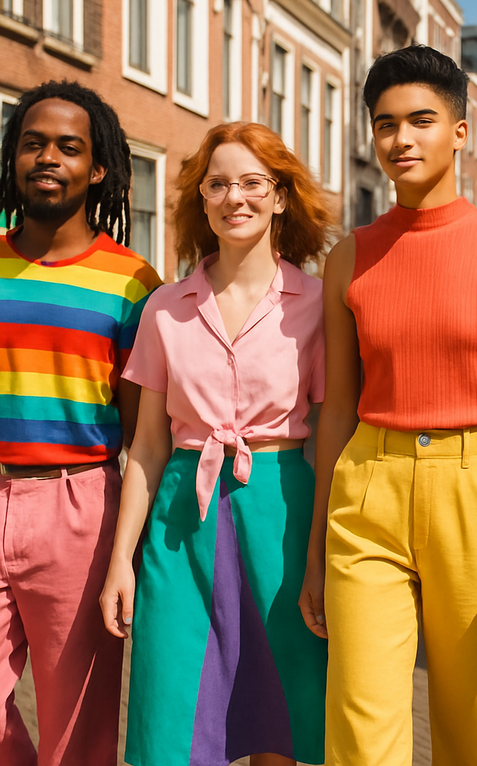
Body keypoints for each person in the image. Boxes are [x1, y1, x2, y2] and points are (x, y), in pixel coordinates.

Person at [301, 44, 477, 766]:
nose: (400, 139)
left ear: (460, 131)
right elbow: (337, 408)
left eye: (421, 120)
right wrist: (312, 553)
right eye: (385, 124)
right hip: (367, 492)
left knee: (476, 732)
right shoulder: (348, 255)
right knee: (361, 731)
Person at [100, 121, 331, 766]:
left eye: (253, 183)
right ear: (201, 199)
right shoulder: (164, 308)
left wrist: (320, 555)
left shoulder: (316, 304)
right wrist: (123, 560)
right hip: (181, 521)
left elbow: (332, 437)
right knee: (168, 712)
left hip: (282, 512)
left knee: (283, 715)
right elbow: (146, 446)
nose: (236, 197)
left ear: (280, 196)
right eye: (219, 184)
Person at [0, 81, 161, 765]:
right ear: (12, 157)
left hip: (81, 507)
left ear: (98, 170)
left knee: (78, 735)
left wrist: (133, 549)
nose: (48, 158)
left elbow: (143, 432)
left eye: (69, 147)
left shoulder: (133, 284)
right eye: (33, 143)